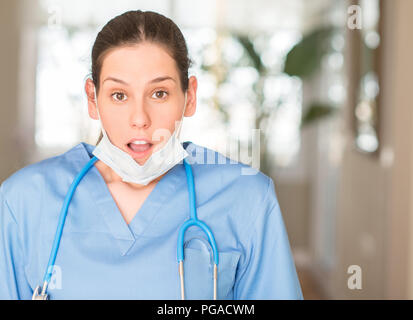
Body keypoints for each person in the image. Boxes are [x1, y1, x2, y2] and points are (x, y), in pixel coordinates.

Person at [0, 10, 303, 300]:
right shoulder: (25, 199)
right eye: (119, 95)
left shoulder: (246, 197)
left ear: (190, 96)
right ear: (93, 99)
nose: (140, 118)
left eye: (159, 93)